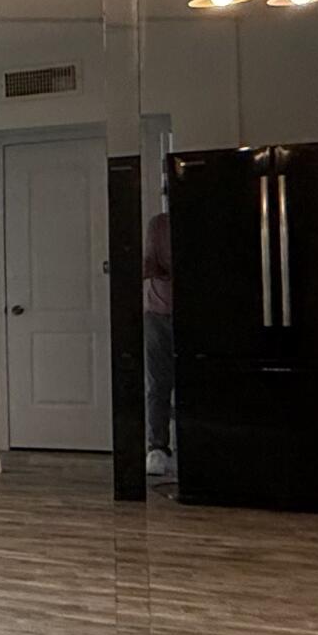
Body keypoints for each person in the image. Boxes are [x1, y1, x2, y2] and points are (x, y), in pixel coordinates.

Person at [141, 204, 175, 478]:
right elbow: (148, 264)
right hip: (158, 314)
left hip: (198, 315)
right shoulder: (158, 224)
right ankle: (157, 449)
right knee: (157, 385)